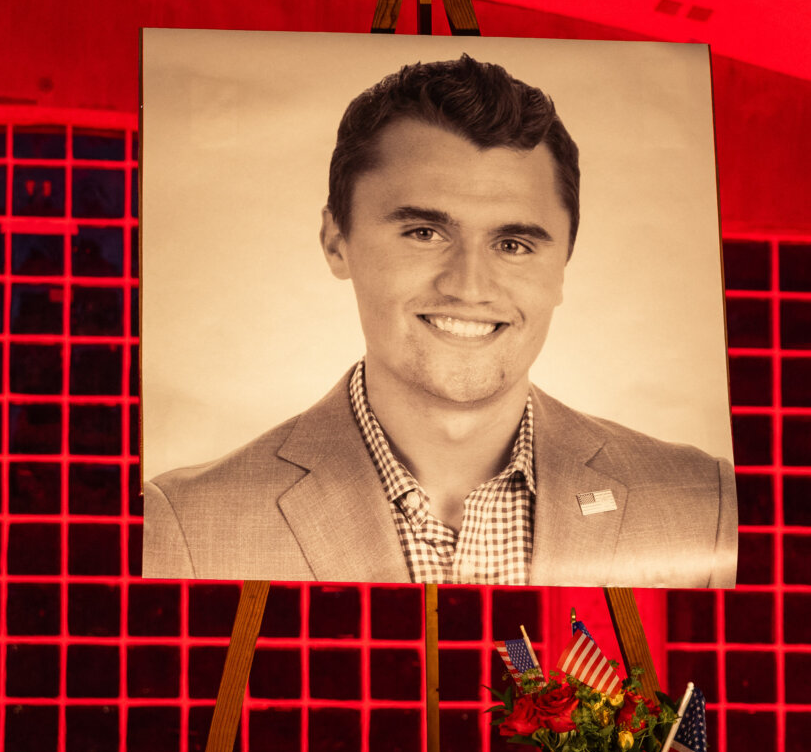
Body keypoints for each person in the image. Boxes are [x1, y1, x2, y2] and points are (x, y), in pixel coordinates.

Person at [142, 54, 736, 587]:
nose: (469, 286)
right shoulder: (185, 529)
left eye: (513, 244)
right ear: (336, 241)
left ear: (563, 263)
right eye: (424, 233)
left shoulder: (704, 507)